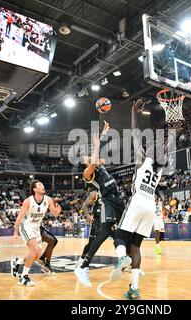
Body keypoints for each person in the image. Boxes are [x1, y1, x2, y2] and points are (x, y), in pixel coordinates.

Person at [109, 99, 169, 300]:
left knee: (118, 236)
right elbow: (167, 148)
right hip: (151, 205)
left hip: (138, 201)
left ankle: (121, 258)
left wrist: (133, 113)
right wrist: (175, 131)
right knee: (136, 246)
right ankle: (134, 289)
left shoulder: (141, 160)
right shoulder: (160, 168)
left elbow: (135, 134)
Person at [74, 120, 125, 288]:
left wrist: (103, 136)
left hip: (116, 200)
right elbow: (95, 159)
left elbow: (99, 157)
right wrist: (97, 145)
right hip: (106, 202)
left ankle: (126, 262)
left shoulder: (98, 165)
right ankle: (83, 266)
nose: (87, 157)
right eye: (85, 158)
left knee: (117, 234)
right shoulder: (87, 172)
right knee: (103, 234)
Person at [10, 180, 61, 286]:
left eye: (42, 184)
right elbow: (19, 217)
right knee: (34, 249)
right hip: (26, 226)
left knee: (37, 255)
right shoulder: (28, 201)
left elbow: (55, 214)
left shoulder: (48, 200)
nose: (42, 186)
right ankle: (24, 277)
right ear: (34, 189)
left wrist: (58, 210)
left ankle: (17, 262)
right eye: (40, 185)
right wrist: (15, 232)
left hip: (37, 228)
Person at [75, 191, 100, 269]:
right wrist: (88, 215)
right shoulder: (95, 194)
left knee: (119, 240)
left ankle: (128, 263)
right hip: (97, 221)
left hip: (110, 220)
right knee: (91, 243)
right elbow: (84, 206)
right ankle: (81, 260)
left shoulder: (112, 193)